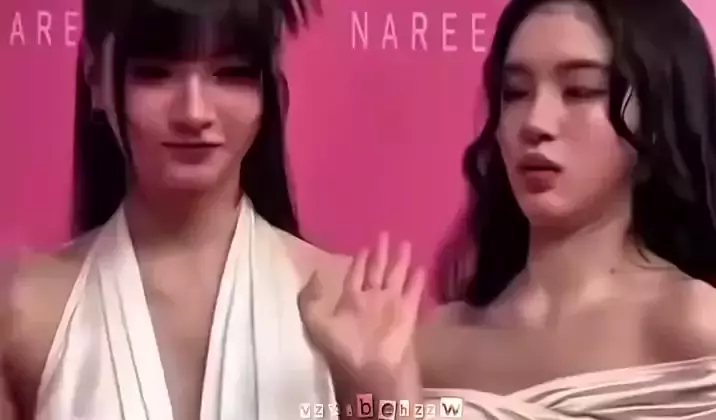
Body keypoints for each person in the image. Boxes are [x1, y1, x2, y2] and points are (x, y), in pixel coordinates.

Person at [299, 0, 716, 418]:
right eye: (515, 92)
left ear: (657, 120)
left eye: (580, 90)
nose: (535, 121)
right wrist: (370, 396)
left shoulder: (695, 325)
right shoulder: (429, 344)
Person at [0, 0, 352, 418]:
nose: (194, 113)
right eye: (155, 73)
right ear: (95, 74)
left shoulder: (344, 303)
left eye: (231, 73)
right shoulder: (26, 312)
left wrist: (383, 391)